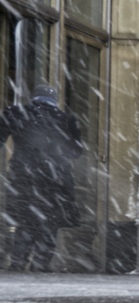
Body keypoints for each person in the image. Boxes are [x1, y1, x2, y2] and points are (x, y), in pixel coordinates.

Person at [0, 86, 84, 271]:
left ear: (34, 97)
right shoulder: (66, 119)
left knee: (25, 220)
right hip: (55, 178)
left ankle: (18, 261)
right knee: (50, 221)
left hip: (24, 175)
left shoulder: (16, 113)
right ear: (54, 99)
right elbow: (76, 152)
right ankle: (40, 263)